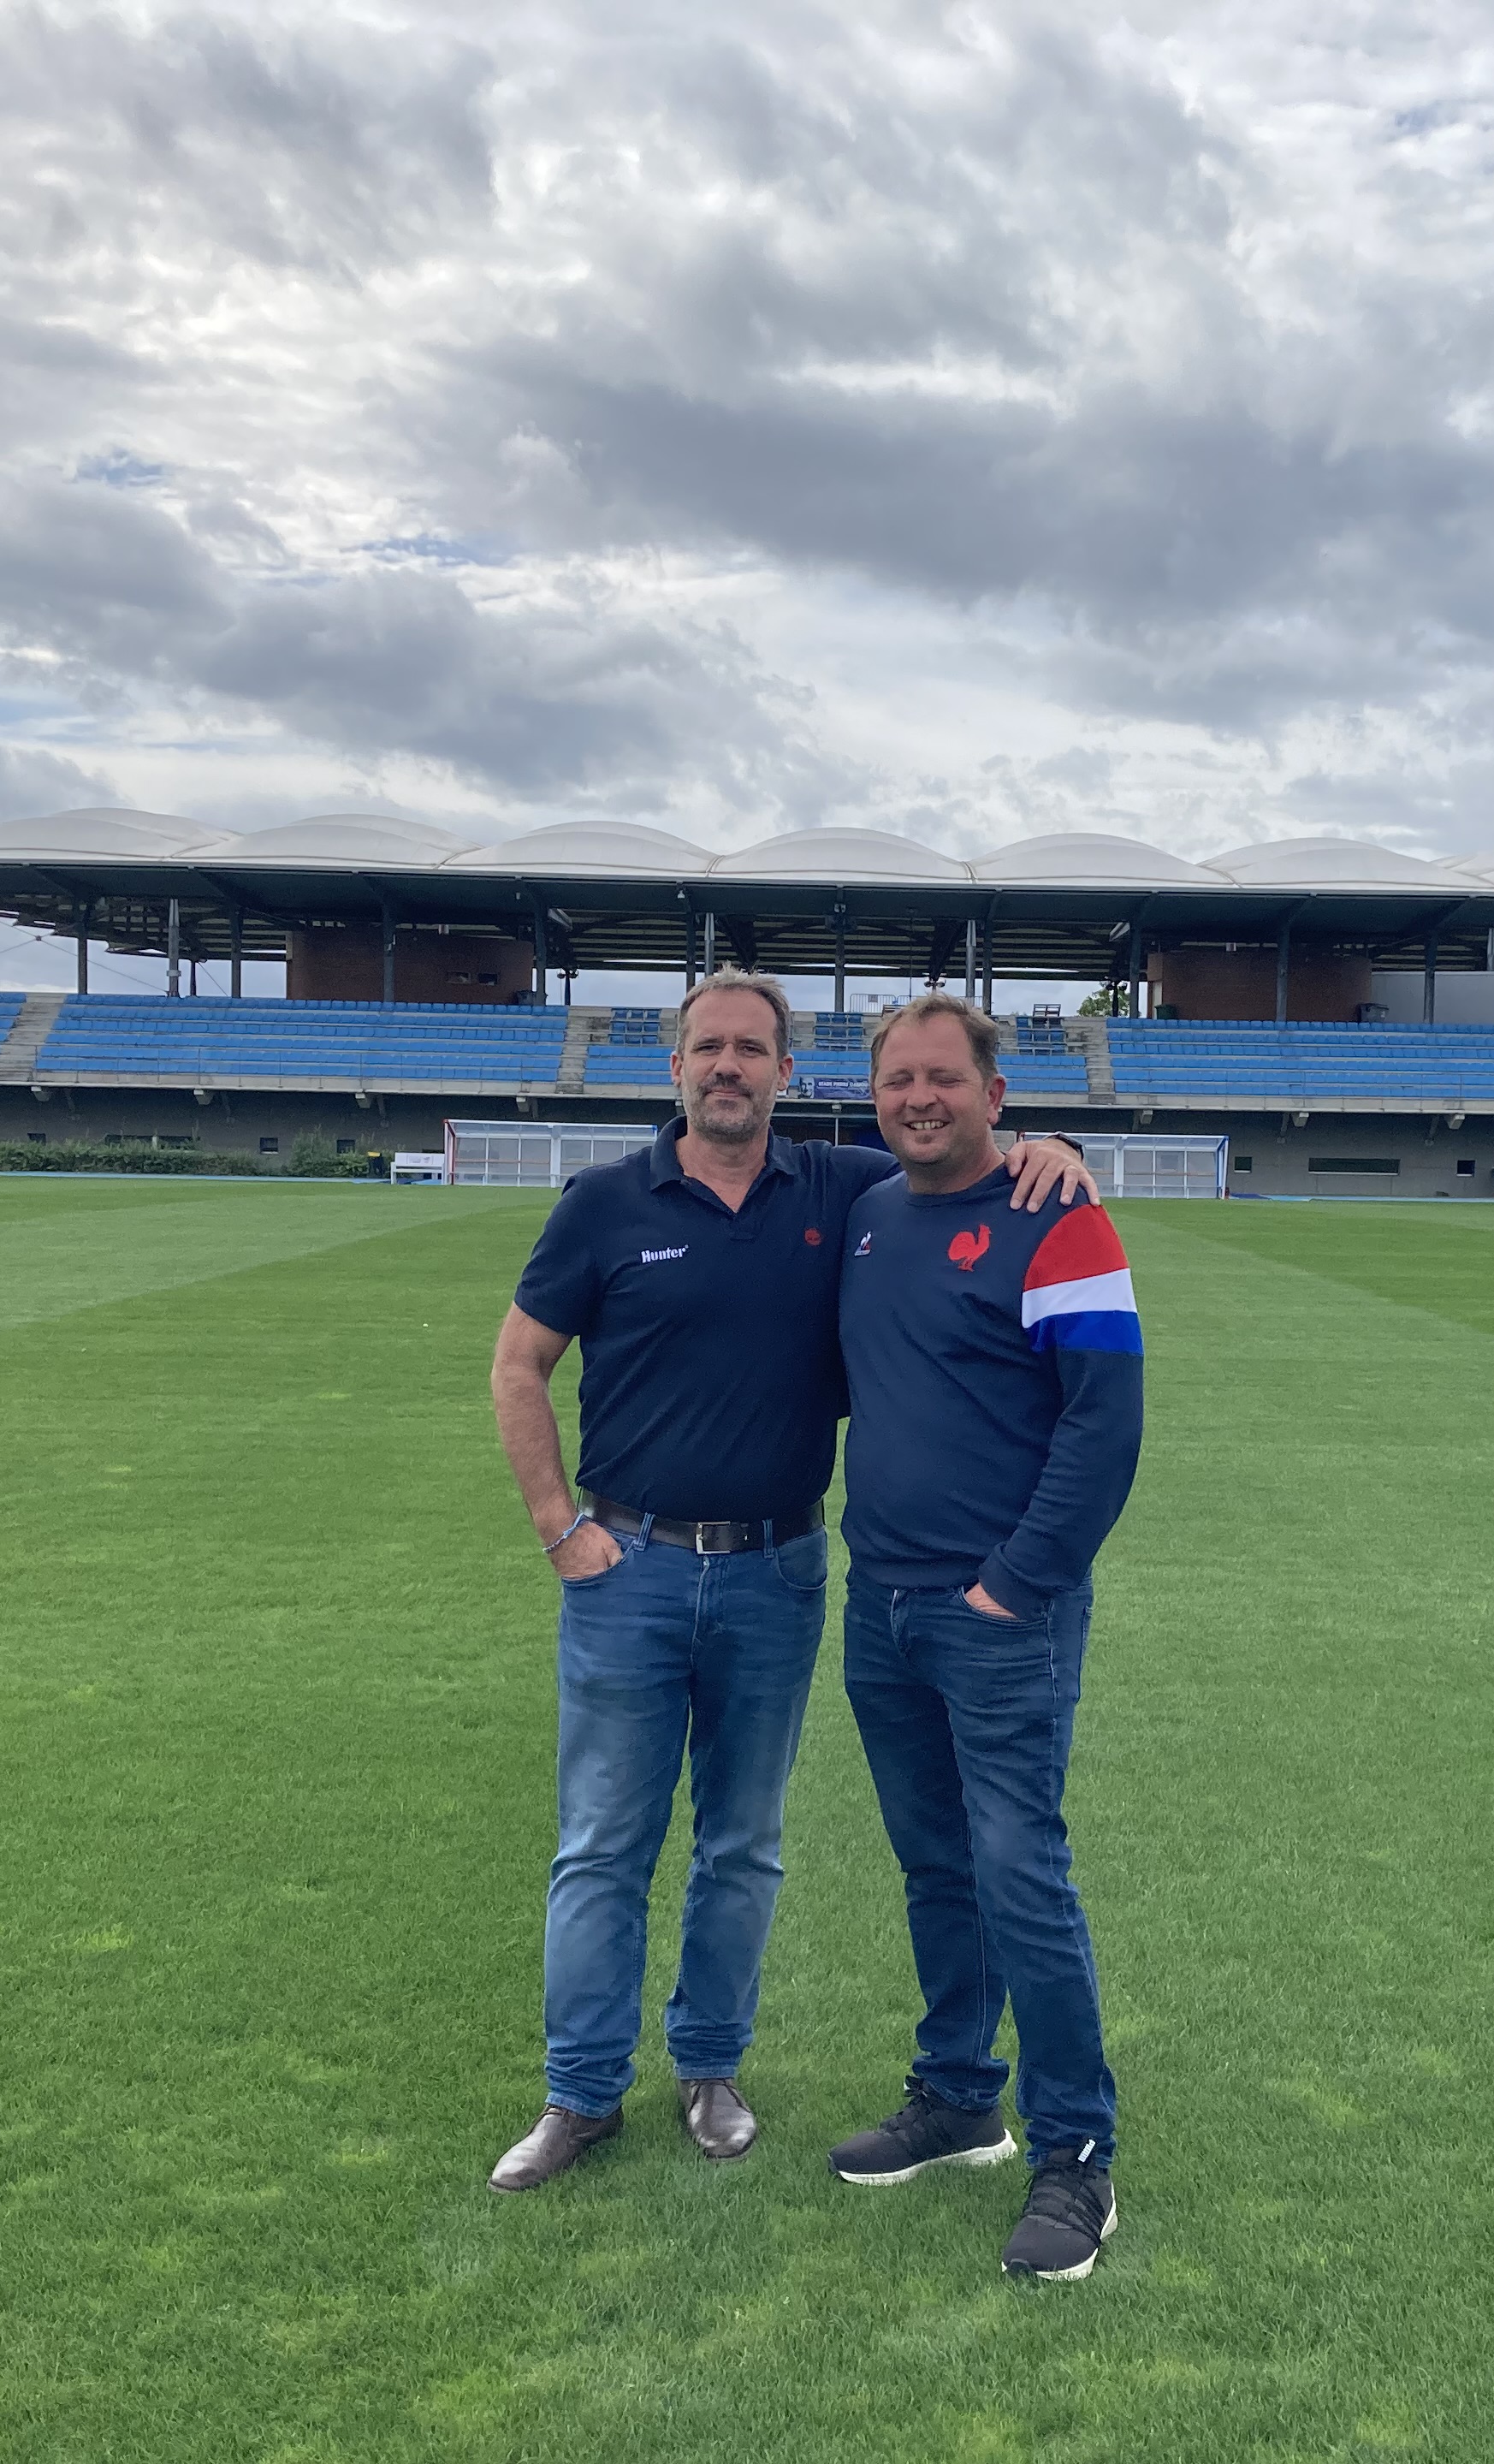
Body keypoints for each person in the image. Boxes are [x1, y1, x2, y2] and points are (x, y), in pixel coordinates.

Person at [483, 968, 1099, 2194]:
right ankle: (582, 2093)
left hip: (777, 1570)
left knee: (742, 1843)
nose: (728, 1067)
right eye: (708, 1047)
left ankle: (710, 2068)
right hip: (629, 1570)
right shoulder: (603, 1203)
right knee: (605, 1841)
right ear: (676, 1069)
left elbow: (956, 1154)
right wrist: (560, 1530)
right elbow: (517, 1365)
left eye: (751, 1050)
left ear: (784, 1071)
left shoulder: (843, 1189)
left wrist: (1046, 1143)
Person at [821, 993, 1143, 2279]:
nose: (918, 1098)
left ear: (993, 1094)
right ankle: (960, 2096)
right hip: (879, 1604)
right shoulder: (864, 1213)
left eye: (944, 1078)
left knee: (1020, 1872)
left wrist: (1017, 1583)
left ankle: (1076, 2154)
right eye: (897, 1079)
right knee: (937, 1868)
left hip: (1001, 1613)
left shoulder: (1056, 1214)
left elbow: (1104, 1426)